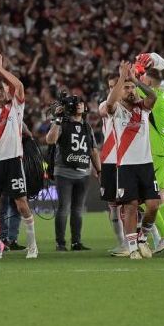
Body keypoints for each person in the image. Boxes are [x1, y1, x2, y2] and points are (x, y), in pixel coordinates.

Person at [0, 52, 38, 260]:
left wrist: (1, 68)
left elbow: (20, 86)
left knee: (21, 203)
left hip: (14, 161)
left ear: (7, 89)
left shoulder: (16, 106)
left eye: (0, 88)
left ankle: (33, 246)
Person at [104, 61, 160, 260]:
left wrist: (136, 79)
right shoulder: (116, 110)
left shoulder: (143, 108)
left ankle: (142, 238)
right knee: (131, 206)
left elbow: (152, 95)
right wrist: (121, 78)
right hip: (125, 166)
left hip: (146, 164)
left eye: (132, 87)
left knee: (153, 204)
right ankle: (132, 247)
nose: (130, 90)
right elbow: (109, 104)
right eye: (126, 87)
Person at [47, 93, 99, 251]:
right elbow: (50, 140)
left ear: (85, 106)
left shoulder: (86, 126)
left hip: (83, 172)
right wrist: (57, 119)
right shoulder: (62, 122)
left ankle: (76, 242)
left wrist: (99, 169)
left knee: (77, 209)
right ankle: (60, 243)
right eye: (75, 102)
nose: (78, 105)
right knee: (64, 207)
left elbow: (93, 151)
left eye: (81, 102)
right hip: (64, 171)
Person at [136, 53, 164, 248]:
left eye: (144, 79)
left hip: (156, 153)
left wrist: (135, 71)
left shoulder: (154, 96)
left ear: (149, 81)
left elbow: (131, 89)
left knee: (145, 197)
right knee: (160, 196)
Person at [99, 76, 126, 256]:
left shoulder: (135, 106)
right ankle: (122, 242)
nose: (111, 90)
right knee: (113, 204)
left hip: (127, 160)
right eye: (109, 87)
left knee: (132, 203)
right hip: (109, 160)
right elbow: (104, 110)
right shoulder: (105, 104)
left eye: (114, 86)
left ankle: (153, 237)